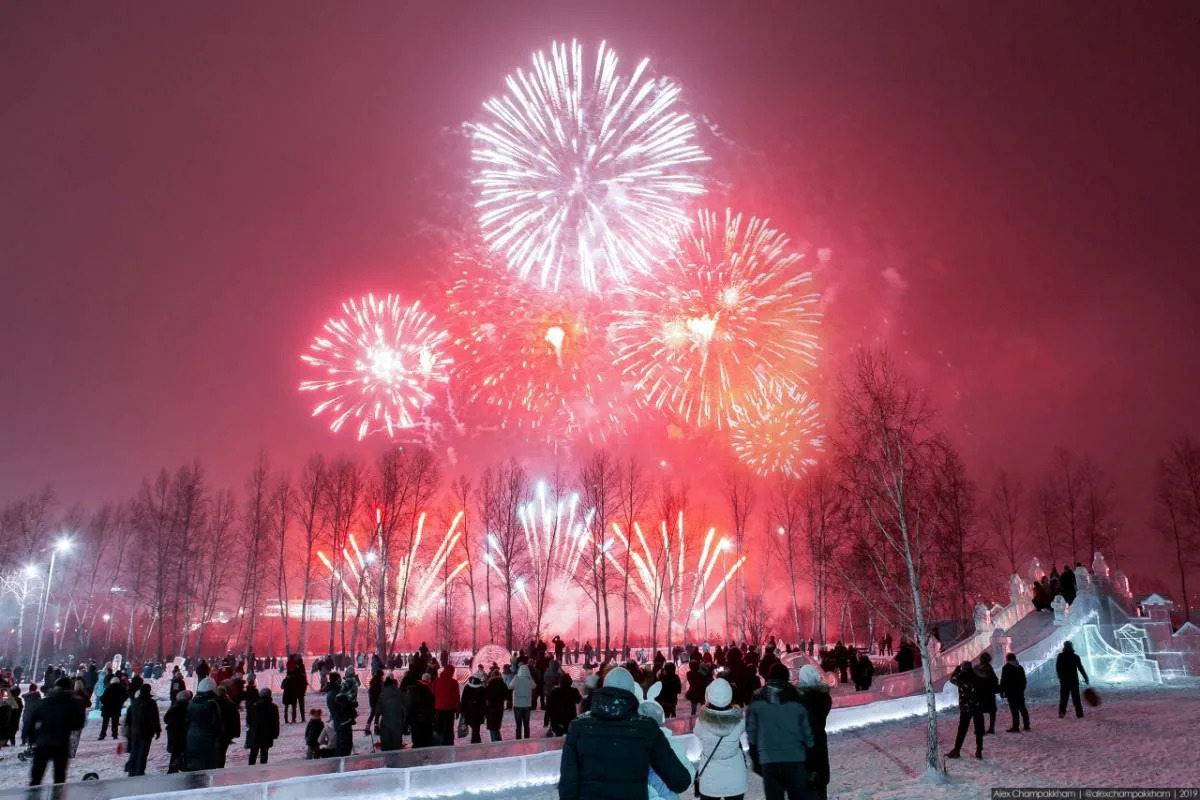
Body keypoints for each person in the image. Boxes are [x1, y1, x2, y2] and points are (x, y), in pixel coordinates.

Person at [557, 667, 691, 800]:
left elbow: (568, 786)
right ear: (632, 693)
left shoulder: (578, 728)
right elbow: (680, 781)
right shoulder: (647, 729)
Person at [747, 663, 813, 800]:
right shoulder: (798, 696)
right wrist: (810, 754)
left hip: (769, 759)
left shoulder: (758, 697)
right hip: (795, 758)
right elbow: (807, 730)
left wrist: (754, 754)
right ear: (787, 677)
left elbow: (752, 730)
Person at [23, 677, 85, 787]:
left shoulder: (45, 701)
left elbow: (30, 720)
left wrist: (29, 736)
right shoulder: (72, 703)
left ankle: (33, 794)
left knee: (36, 778)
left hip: (43, 742)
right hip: (61, 742)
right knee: (59, 778)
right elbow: (78, 724)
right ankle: (57, 794)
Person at [693, 678, 747, 800]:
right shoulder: (740, 719)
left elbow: (697, 732)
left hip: (710, 776)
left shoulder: (701, 722)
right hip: (735, 775)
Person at [796, 665, 832, 800]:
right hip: (820, 743)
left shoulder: (802, 701)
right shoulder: (824, 697)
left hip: (806, 748)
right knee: (821, 787)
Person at [946, 661, 984, 759]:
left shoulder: (961, 678)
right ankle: (979, 751)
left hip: (966, 707)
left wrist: (956, 670)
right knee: (979, 729)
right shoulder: (977, 676)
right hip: (977, 706)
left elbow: (952, 679)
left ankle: (956, 750)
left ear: (963, 668)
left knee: (962, 729)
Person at [186, 677, 224, 771]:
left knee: (194, 766)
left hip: (192, 737)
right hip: (207, 739)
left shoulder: (192, 703)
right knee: (207, 768)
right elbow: (216, 724)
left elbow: (187, 721)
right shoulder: (211, 704)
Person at [124, 683, 161, 777]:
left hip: (134, 731)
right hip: (146, 732)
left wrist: (129, 729)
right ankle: (139, 771)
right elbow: (154, 718)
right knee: (143, 752)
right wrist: (157, 730)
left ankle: (132, 770)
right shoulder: (151, 703)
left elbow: (128, 718)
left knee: (134, 750)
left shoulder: (134, 702)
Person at [246, 688, 280, 765]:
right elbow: (276, 722)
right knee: (264, 752)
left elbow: (248, 720)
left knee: (253, 752)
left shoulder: (254, 706)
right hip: (267, 733)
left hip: (255, 732)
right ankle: (263, 769)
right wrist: (275, 734)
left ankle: (250, 768)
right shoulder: (273, 707)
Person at [1055, 641, 1089, 718]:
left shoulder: (1061, 656)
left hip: (1065, 681)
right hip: (1073, 680)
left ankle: (1062, 713)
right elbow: (1080, 668)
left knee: (1064, 698)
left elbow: (1058, 668)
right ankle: (1079, 713)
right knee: (1076, 698)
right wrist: (1086, 678)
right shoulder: (1075, 657)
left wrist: (1060, 677)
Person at [999, 653, 1030, 732]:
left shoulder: (1006, 667)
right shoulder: (1020, 667)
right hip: (1019, 691)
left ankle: (1016, 727)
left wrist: (1002, 691)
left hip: (1011, 692)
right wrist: (1022, 689)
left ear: (1007, 659)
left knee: (1014, 710)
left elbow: (1004, 680)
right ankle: (1026, 725)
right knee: (1022, 708)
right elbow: (1024, 680)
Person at [405, 672, 435, 748]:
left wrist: (408, 720)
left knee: (416, 741)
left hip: (415, 719)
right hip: (426, 719)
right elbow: (432, 705)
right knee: (426, 741)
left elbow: (409, 706)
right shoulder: (430, 689)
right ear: (429, 680)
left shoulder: (412, 689)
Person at [433, 664, 460, 746]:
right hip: (450, 709)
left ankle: (439, 743)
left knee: (439, 728)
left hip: (438, 708)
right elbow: (457, 697)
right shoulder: (454, 682)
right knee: (449, 729)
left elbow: (432, 695)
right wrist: (458, 710)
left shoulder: (436, 681)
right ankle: (449, 744)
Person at [164, 690, 191, 773]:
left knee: (175, 753)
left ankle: (172, 770)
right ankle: (178, 769)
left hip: (172, 733)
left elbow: (165, 719)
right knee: (181, 753)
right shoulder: (187, 707)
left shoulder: (174, 706)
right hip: (182, 734)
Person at [377, 676, 406, 751]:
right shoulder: (400, 693)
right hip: (398, 722)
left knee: (386, 745)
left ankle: (387, 758)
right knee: (396, 745)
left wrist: (376, 723)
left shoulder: (382, 694)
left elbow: (378, 710)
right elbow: (405, 708)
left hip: (386, 723)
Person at [459, 669, 488, 744]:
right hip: (478, 713)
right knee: (476, 729)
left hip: (468, 711)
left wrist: (462, 711)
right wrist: (485, 713)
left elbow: (463, 700)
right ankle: (476, 742)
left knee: (474, 728)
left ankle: (475, 742)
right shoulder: (481, 689)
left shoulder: (467, 687)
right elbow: (484, 703)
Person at [98, 670, 128, 740]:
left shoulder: (108, 688)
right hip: (116, 707)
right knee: (115, 722)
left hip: (107, 707)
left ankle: (102, 735)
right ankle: (115, 734)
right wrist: (121, 702)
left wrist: (103, 702)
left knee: (105, 723)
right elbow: (126, 695)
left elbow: (103, 698)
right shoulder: (122, 689)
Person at [975, 652, 1000, 734]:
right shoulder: (989, 668)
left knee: (980, 711)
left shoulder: (977, 668)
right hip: (987, 693)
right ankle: (990, 729)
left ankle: (982, 729)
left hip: (982, 693)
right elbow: (994, 680)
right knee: (991, 711)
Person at [509, 663, 535, 740]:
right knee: (526, 725)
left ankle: (518, 739)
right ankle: (527, 739)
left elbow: (510, 687)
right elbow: (534, 686)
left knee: (518, 725)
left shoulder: (516, 678)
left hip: (517, 705)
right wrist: (530, 677)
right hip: (527, 705)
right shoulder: (529, 679)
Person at [485, 668, 510, 742]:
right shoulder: (503, 684)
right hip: (499, 707)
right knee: (497, 726)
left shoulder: (490, 684)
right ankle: (498, 741)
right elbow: (507, 695)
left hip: (491, 707)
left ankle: (495, 742)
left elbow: (486, 696)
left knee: (492, 727)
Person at [364, 669, 383, 734]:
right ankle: (376, 729)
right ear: (380, 675)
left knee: (372, 715)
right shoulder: (378, 683)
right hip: (376, 702)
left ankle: (367, 728)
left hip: (372, 702)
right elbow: (379, 693)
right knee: (376, 715)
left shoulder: (373, 682)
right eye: (382, 676)